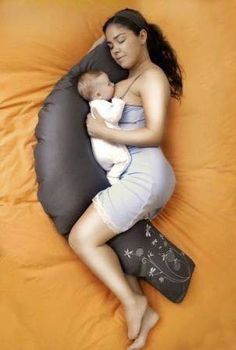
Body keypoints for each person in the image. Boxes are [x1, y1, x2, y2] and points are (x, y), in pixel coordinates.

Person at [68, 8, 183, 350]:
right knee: (116, 245)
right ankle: (144, 319)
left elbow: (155, 133)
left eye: (122, 40)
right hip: (135, 177)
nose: (115, 49)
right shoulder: (117, 83)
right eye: (110, 44)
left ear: (143, 36)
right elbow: (89, 67)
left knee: (82, 239)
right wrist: (102, 42)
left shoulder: (153, 78)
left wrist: (105, 131)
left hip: (147, 174)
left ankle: (133, 304)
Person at [77, 70, 132, 185]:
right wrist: (118, 102)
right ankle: (113, 176)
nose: (112, 84)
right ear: (98, 94)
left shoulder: (94, 106)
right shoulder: (100, 105)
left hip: (103, 152)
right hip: (108, 150)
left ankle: (114, 173)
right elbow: (114, 117)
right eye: (108, 83)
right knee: (125, 159)